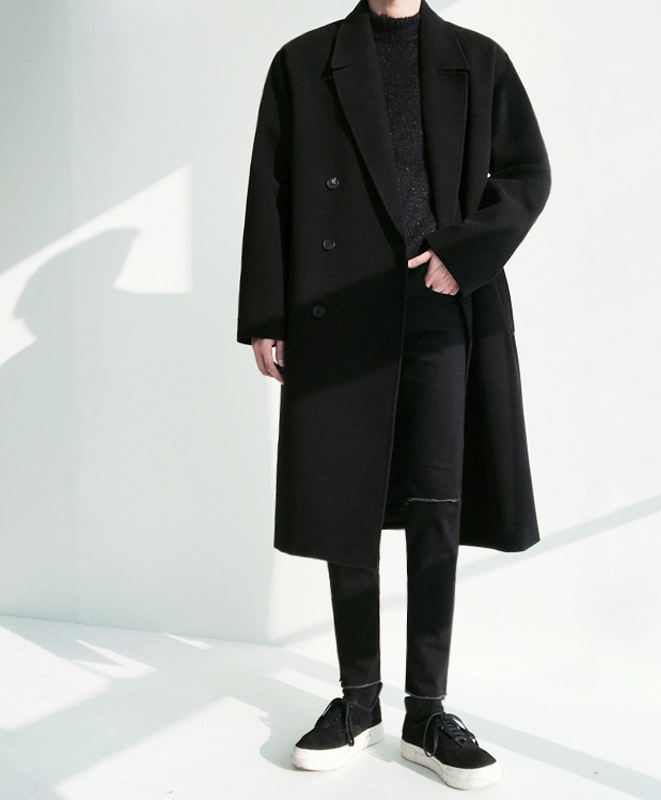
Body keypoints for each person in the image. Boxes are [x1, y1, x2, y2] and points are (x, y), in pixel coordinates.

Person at [237, 0, 550, 790]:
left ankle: (427, 713)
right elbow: (269, 190)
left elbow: (526, 174)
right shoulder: (304, 62)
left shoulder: (476, 58)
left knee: (437, 501)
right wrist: (267, 316)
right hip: (338, 307)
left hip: (442, 302)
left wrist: (461, 254)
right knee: (346, 497)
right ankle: (358, 702)